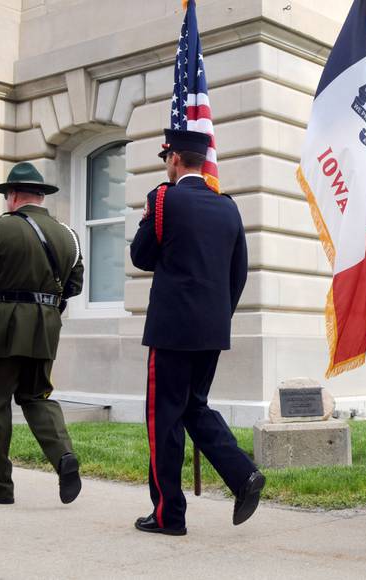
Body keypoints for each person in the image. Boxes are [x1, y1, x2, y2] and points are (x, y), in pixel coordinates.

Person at [130, 129, 264, 536]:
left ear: (173, 159)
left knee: (163, 418)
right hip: (211, 329)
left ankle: (168, 515)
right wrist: (217, 315)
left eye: (165, 158)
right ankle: (243, 476)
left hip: (171, 330)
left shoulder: (163, 200)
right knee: (194, 408)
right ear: (203, 160)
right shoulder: (228, 207)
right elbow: (238, 272)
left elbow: (140, 257)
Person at [0, 162, 84, 506]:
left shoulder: (0, 229)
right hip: (45, 328)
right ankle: (64, 457)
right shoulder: (68, 235)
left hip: (3, 328)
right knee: (36, 397)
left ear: (13, 195)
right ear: (41, 196)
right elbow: (74, 285)